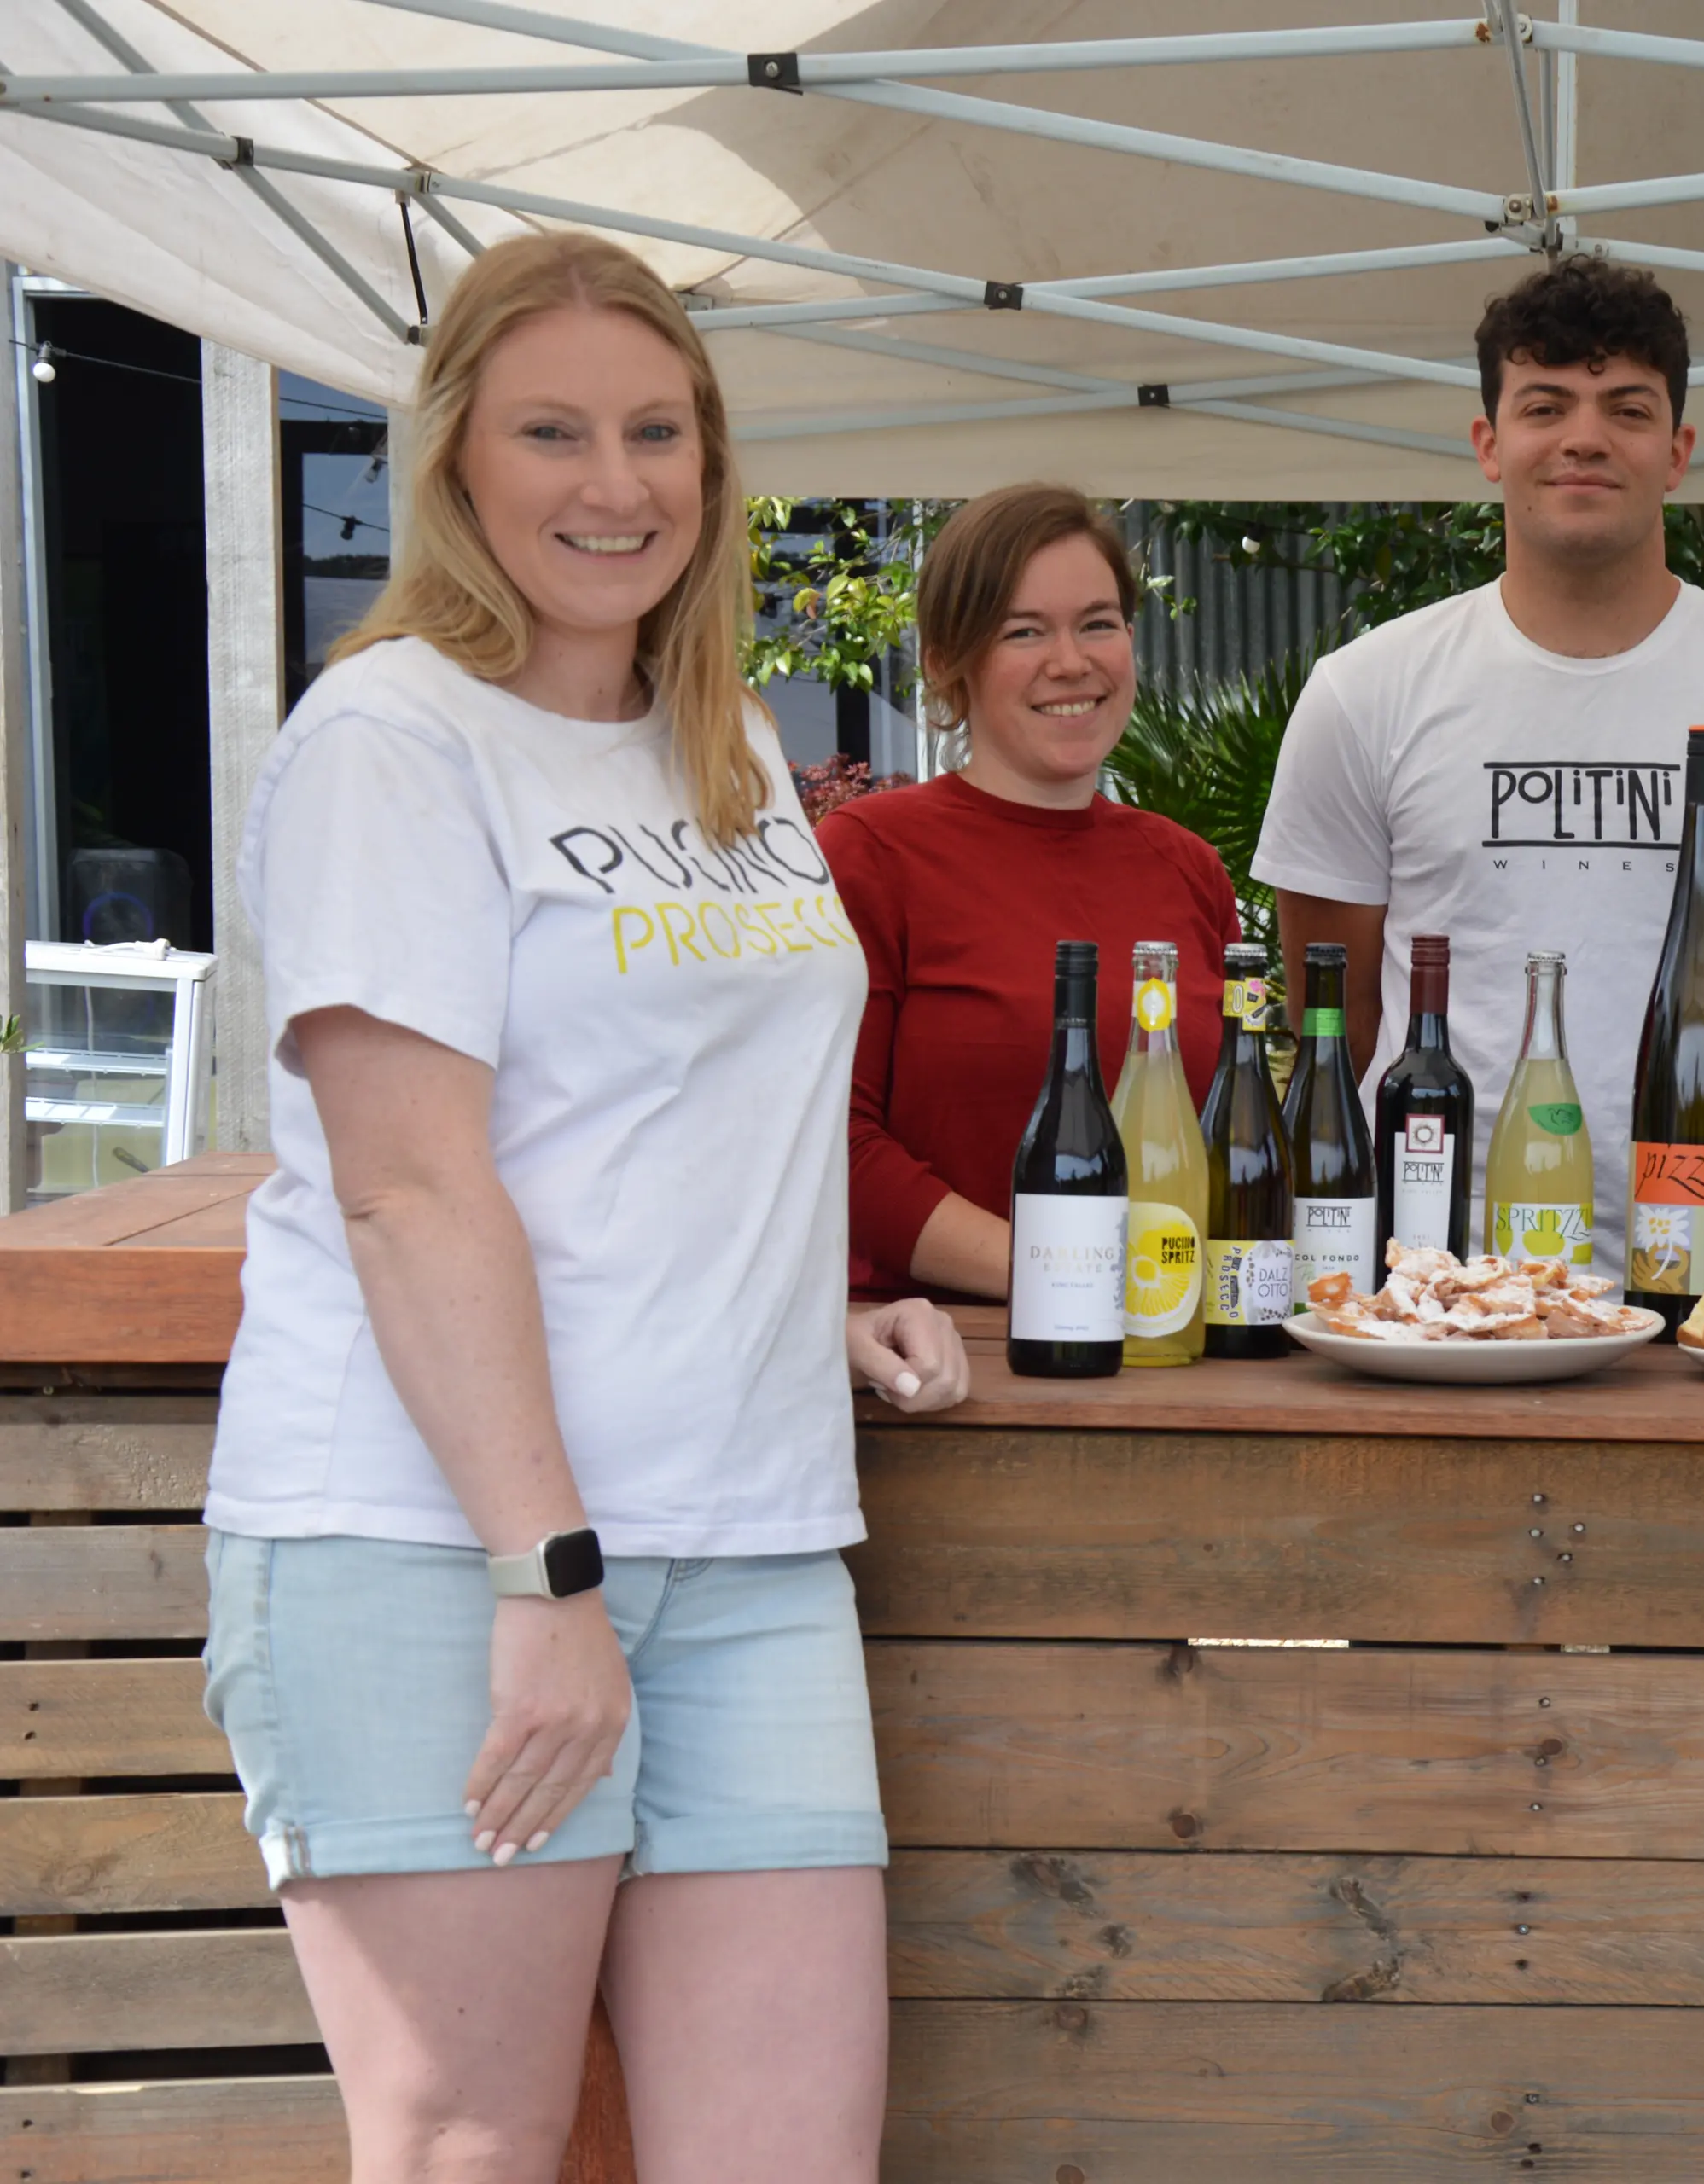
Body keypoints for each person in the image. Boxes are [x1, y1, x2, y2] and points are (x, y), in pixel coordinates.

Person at [202, 230, 969, 2184]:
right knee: (470, 2143)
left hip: (749, 1546)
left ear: (711, 466)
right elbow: (404, 1180)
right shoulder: (391, 738)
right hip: (443, 1555)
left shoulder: (722, 754)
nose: (611, 484)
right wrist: (543, 1576)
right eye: (552, 431)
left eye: (654, 431)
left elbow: (677, 1121)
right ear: (457, 457)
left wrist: (814, 1311)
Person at [1253, 257, 1704, 1285]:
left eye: (1627, 408)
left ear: (1679, 452)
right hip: (1429, 1270)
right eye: (1545, 404)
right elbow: (1337, 1010)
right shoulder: (1362, 694)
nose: (1584, 438)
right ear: (1487, 444)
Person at [822, 485, 1240, 1298]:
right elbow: (833, 1144)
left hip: (1179, 1351)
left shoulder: (1188, 868)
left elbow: (1233, 1125)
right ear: (947, 659)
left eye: (1098, 623)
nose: (1071, 662)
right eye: (1024, 631)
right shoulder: (870, 855)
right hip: (955, 1366)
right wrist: (1074, 1280)